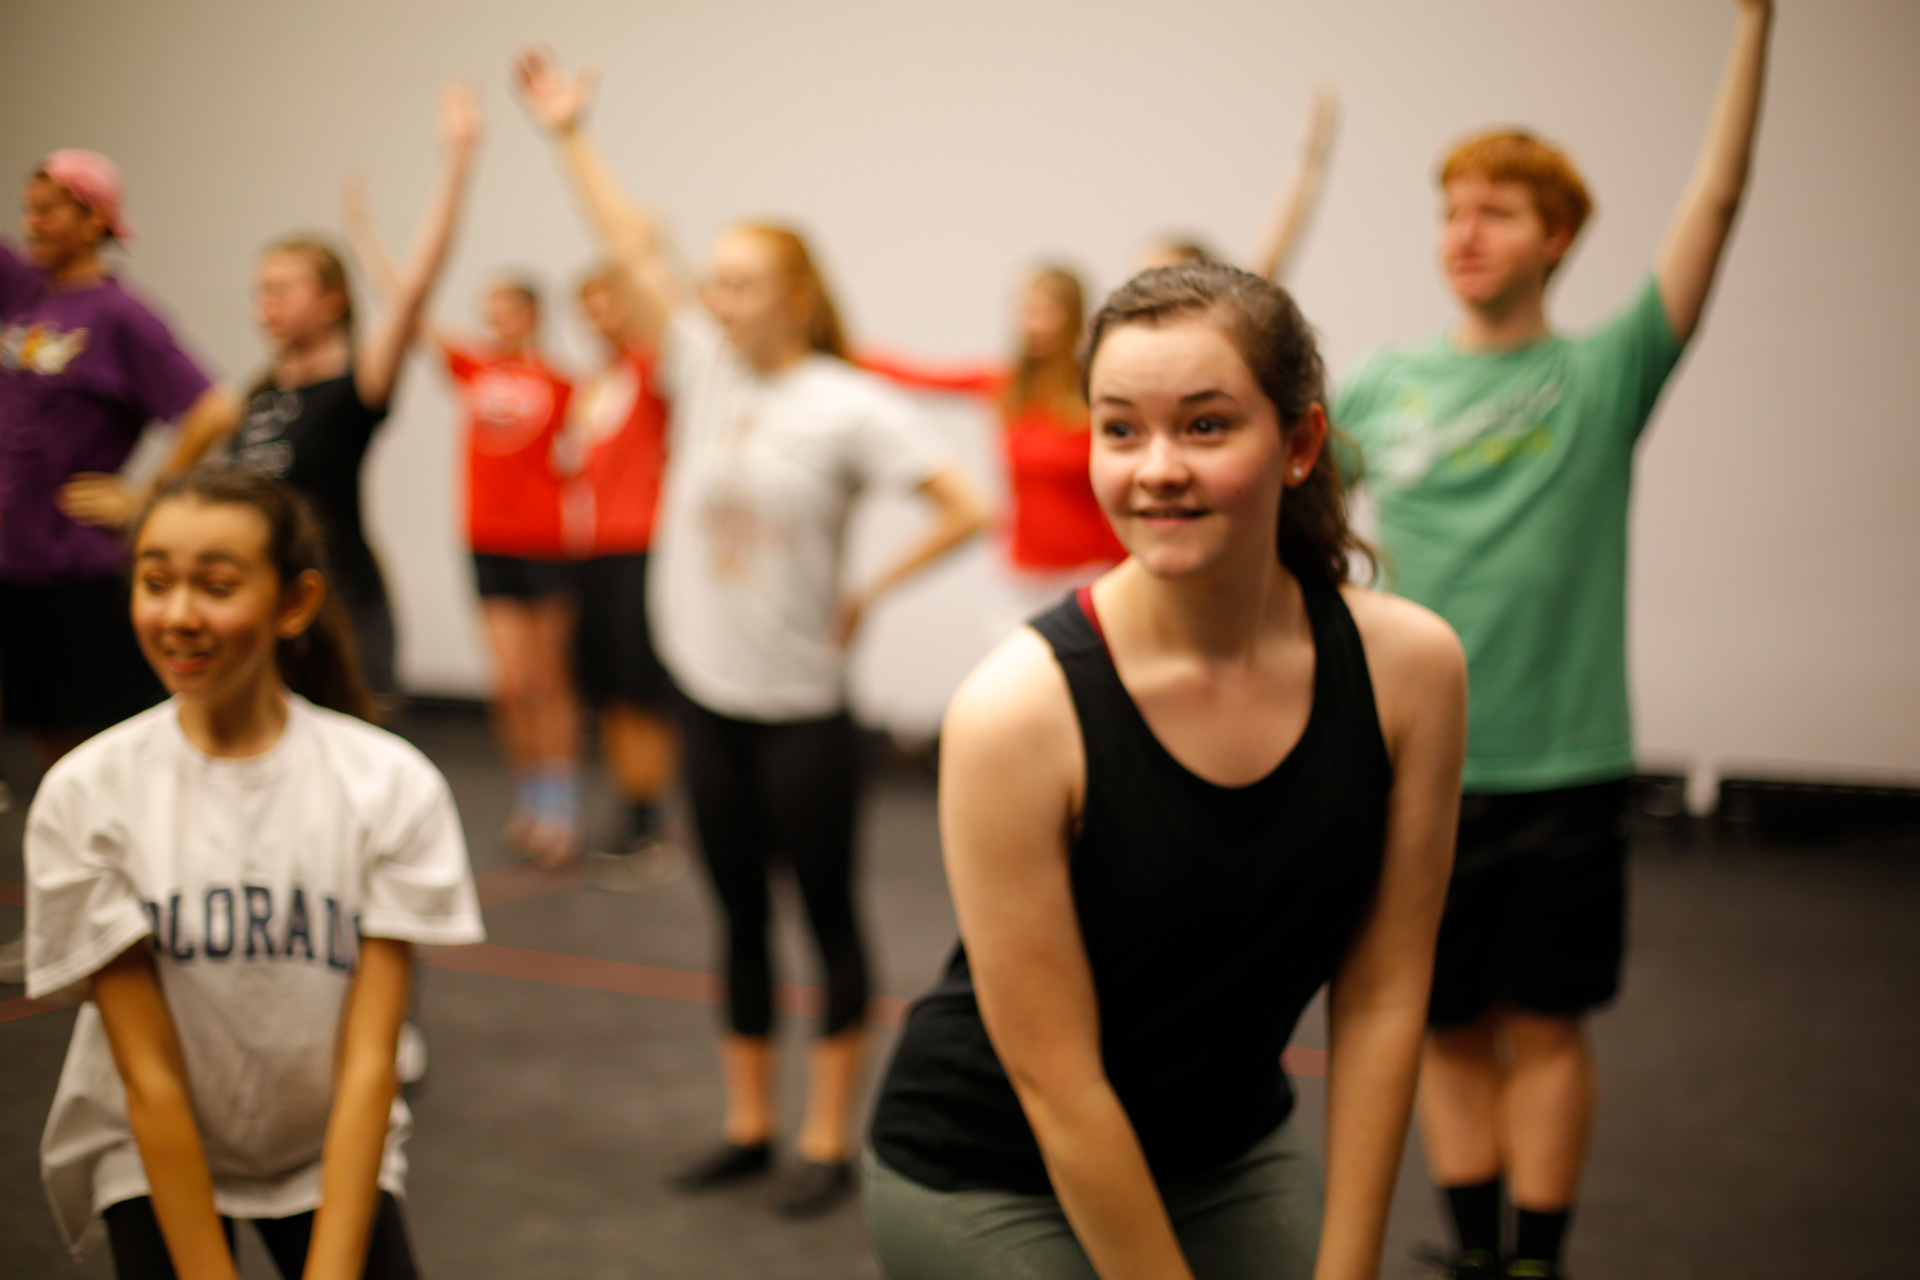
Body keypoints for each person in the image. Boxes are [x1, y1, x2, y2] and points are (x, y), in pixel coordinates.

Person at [866, 262, 1467, 1280]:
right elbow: (1057, 1081)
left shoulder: (1410, 669)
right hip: (994, 1168)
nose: (1156, 468)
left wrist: (1351, 1266)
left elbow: (1382, 994)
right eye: (1119, 428)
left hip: (1227, 1149)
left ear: (1300, 443)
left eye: (1204, 425)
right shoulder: (1016, 710)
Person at [1330, 6, 1773, 1276]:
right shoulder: (1379, 383)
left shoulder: (1603, 374)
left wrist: (1752, 25)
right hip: (1414, 769)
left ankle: (1537, 1259)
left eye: (1500, 210)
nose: (1465, 233)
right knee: (1447, 1025)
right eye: (1451, 208)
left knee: (1549, 1025)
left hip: (1561, 770)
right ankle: (1475, 1251)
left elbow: (1720, 195)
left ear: (1558, 237)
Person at [515, 46, 989, 1217]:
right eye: (712, 280)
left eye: (738, 281)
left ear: (796, 293)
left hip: (804, 714)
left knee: (822, 915)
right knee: (734, 914)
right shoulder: (706, 370)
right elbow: (633, 246)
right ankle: (744, 1121)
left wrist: (870, 593)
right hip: (708, 700)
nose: (713, 297)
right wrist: (570, 133)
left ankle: (827, 1139)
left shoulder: (847, 401)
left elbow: (966, 506)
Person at [22, 466, 484, 1279]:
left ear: (293, 604)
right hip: (152, 1149)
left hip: (328, 1147)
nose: (179, 616)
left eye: (218, 585)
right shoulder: (87, 794)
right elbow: (149, 1076)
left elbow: (371, 1061)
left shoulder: (387, 786)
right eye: (155, 582)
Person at [0, 149, 241, 985]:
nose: (32, 225)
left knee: (102, 761)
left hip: (80, 575)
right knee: (48, 765)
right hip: (15, 570)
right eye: (27, 210)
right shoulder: (22, 292)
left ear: (97, 220)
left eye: (50, 211)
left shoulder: (120, 315)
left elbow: (214, 405)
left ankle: (131, 923)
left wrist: (149, 494)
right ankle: (69, 925)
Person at [341, 189, 585, 866]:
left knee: (547, 679)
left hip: (547, 545)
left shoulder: (567, 385)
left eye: (506, 307)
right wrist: (365, 233)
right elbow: (410, 305)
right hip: (486, 542)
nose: (494, 319)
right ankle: (532, 796)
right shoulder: (473, 367)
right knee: (509, 684)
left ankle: (561, 804)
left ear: (532, 314)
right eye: (488, 310)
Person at [226, 84, 481, 703]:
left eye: (284, 289)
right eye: (261, 290)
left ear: (332, 301)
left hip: (342, 609)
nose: (267, 306)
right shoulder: (260, 392)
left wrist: (458, 162)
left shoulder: (355, 385)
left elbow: (415, 286)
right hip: (261, 604)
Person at [565, 266, 681, 889]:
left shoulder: (650, 370)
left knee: (640, 687)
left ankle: (650, 816)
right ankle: (627, 807)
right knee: (606, 686)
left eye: (608, 301)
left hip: (642, 547)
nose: (598, 315)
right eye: (589, 305)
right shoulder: (592, 384)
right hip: (592, 551)